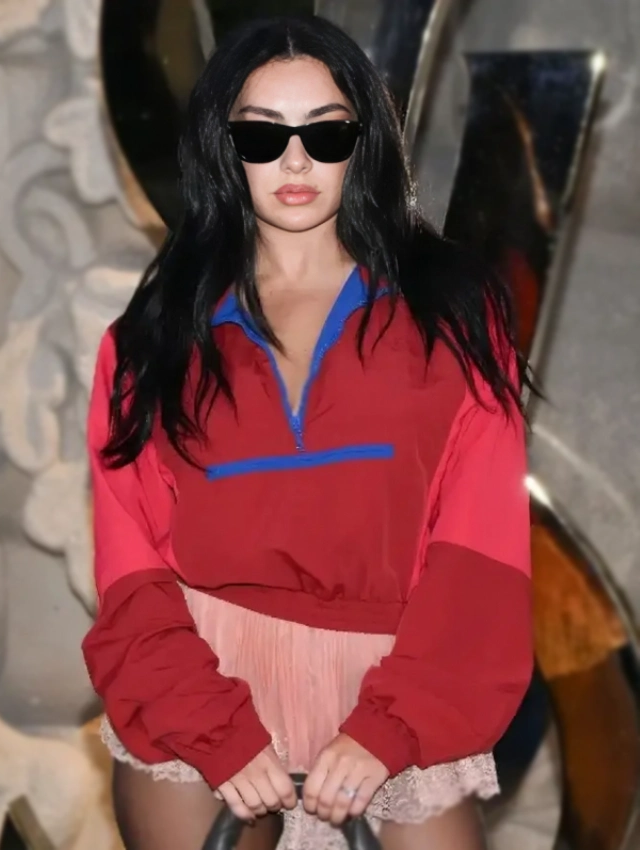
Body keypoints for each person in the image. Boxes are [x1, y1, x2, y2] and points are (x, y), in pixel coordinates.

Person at [81, 14, 533, 850]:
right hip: (201, 687)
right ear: (224, 148)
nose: (295, 161)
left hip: (400, 681)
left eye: (325, 134)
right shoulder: (150, 343)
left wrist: (391, 726)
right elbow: (131, 572)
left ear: (365, 143)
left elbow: (481, 557)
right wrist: (214, 728)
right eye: (263, 135)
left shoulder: (453, 321)